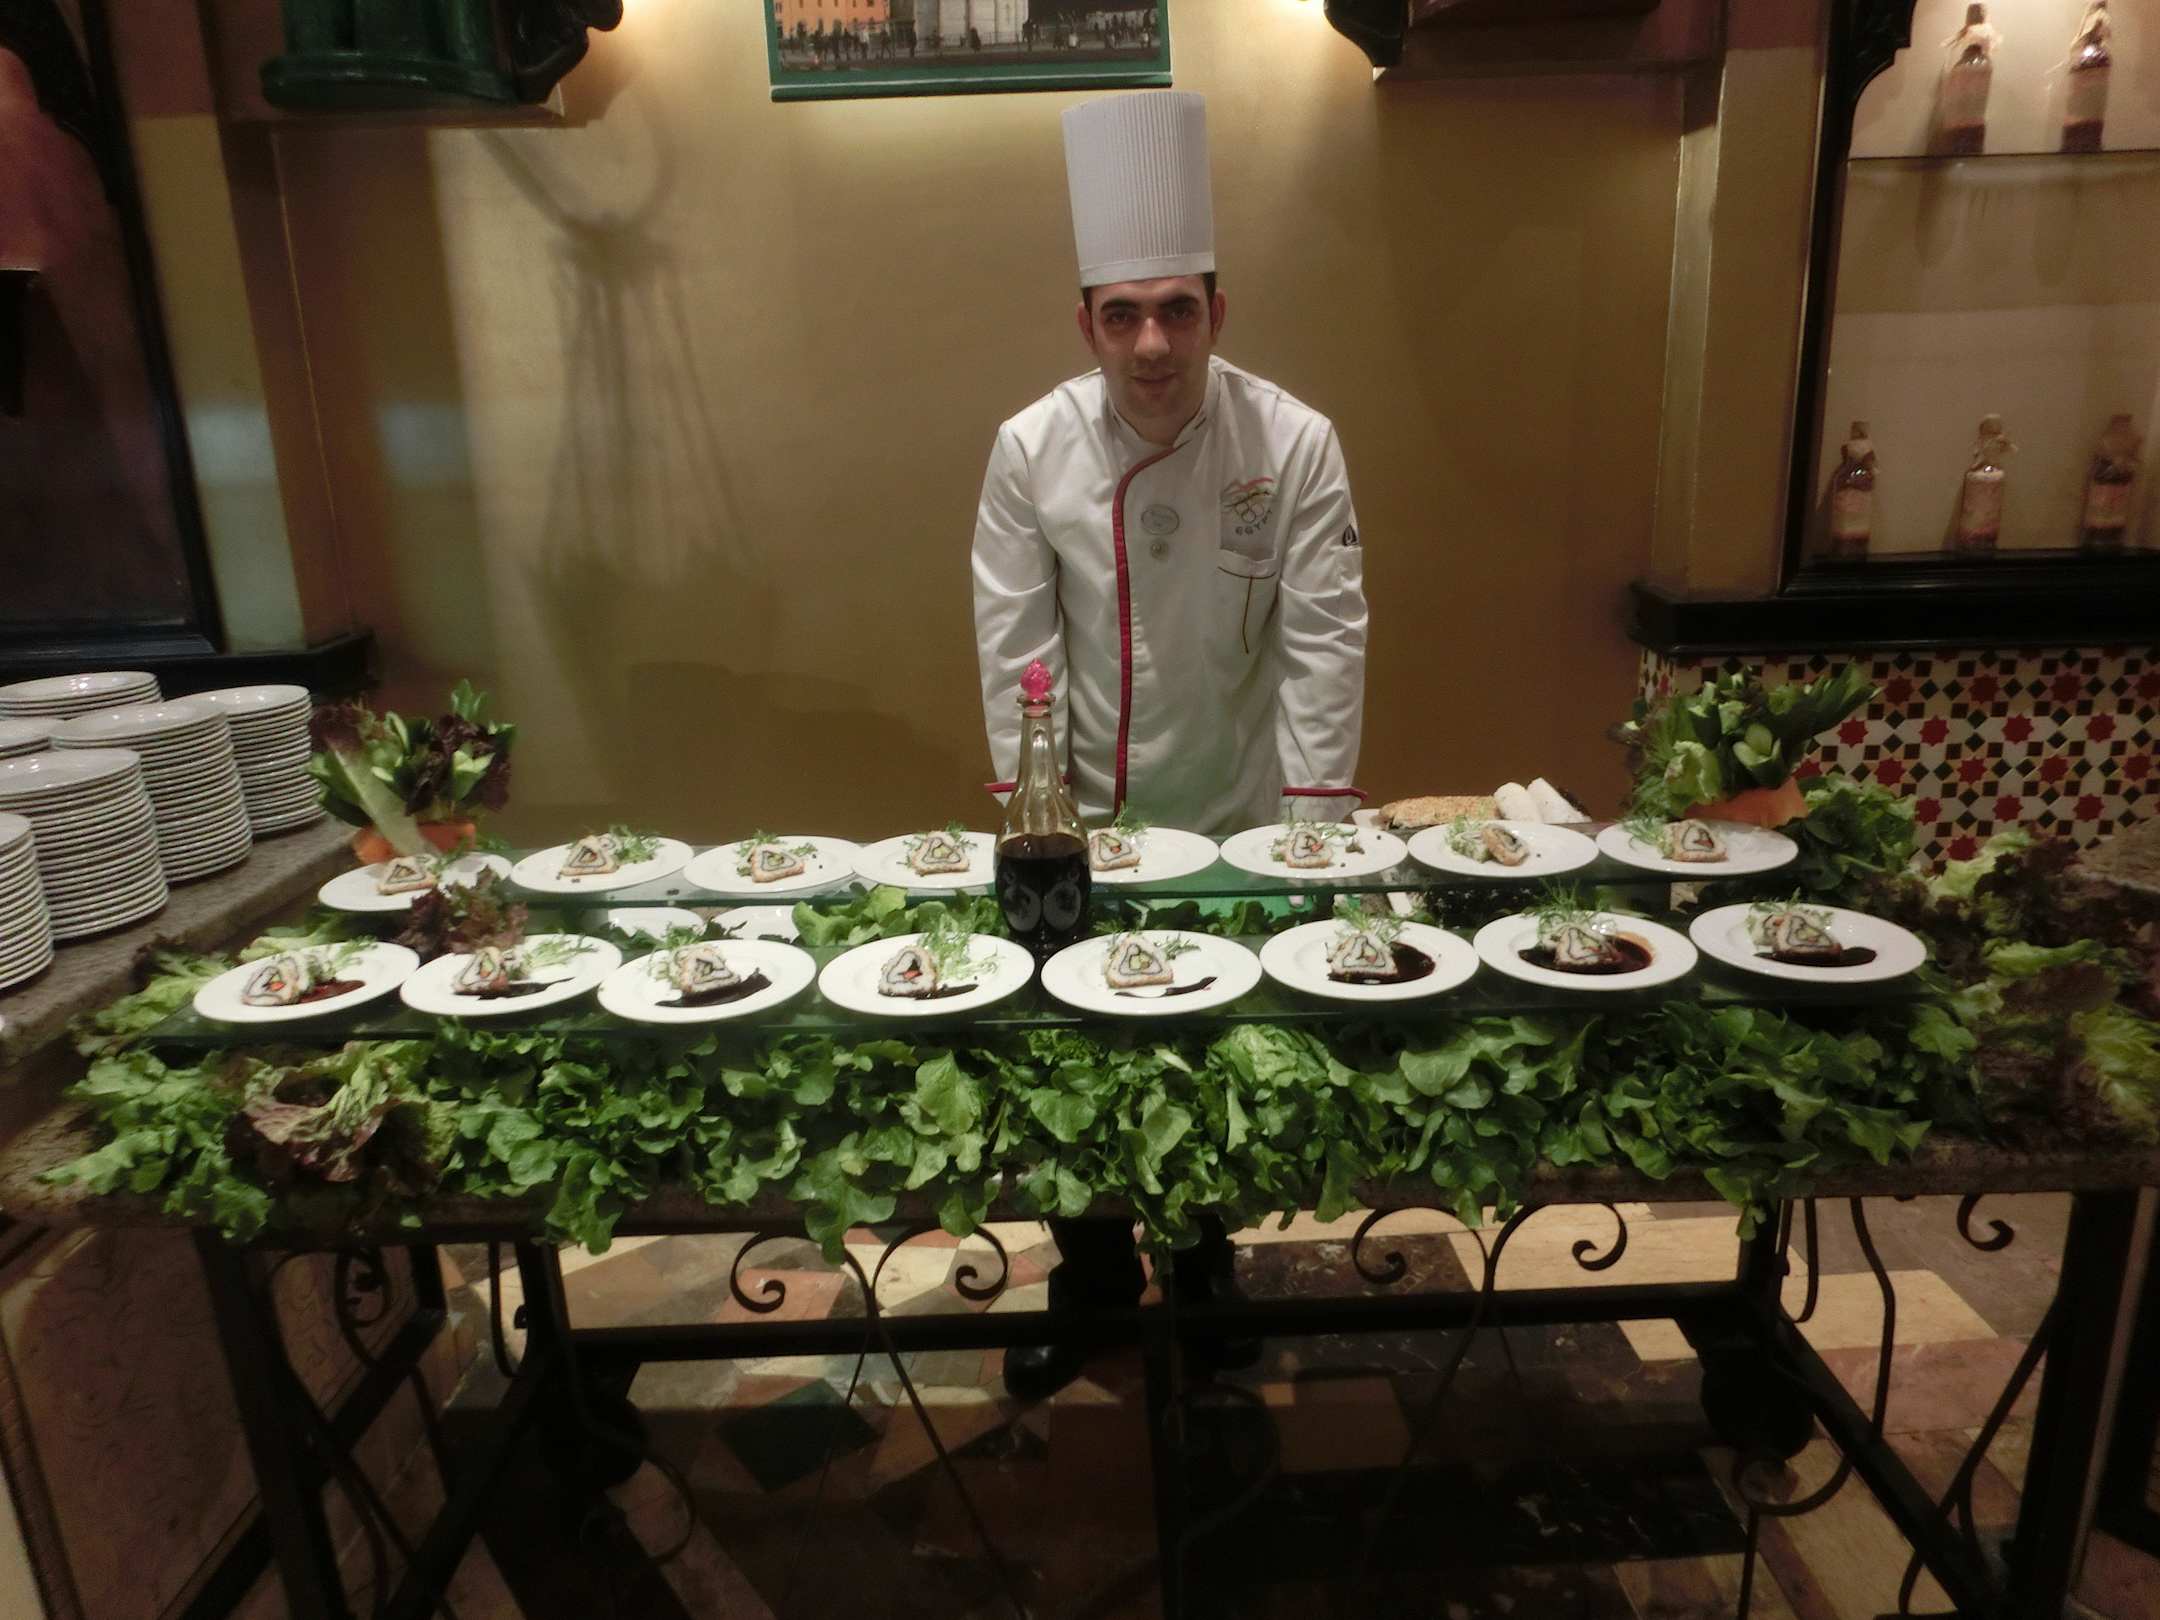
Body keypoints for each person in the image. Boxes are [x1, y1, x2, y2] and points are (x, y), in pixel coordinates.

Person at [971, 92, 1368, 1401]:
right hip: (1080, 810)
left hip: (1237, 798)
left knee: (1213, 1040)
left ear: (1217, 311)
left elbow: (1324, 640)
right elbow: (1015, 645)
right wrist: (1035, 820)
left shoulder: (1292, 442)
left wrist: (1311, 835)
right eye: (1124, 314)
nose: (1153, 343)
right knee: (1073, 1052)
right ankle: (1090, 1278)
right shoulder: (1031, 449)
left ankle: (1203, 1271)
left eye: (1178, 311)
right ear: (1086, 322)